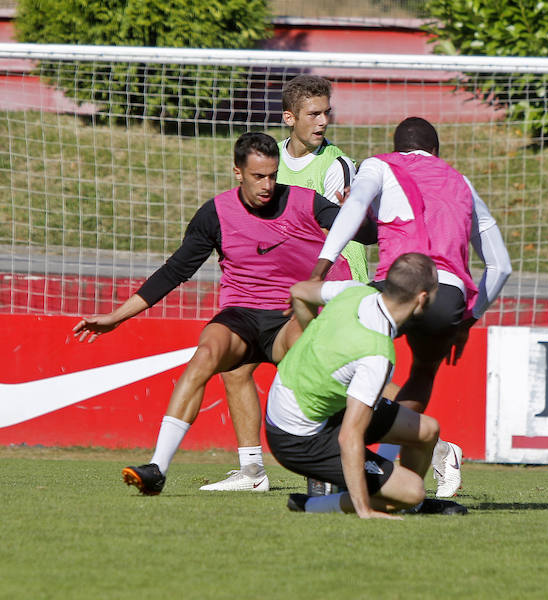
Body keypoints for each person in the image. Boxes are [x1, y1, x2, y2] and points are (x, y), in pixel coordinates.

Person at [72, 132, 375, 495]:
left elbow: (367, 234)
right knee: (208, 354)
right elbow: (175, 271)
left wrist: (360, 210)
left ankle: (343, 460)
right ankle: (160, 468)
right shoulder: (215, 213)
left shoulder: (307, 202)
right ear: (237, 172)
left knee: (311, 364)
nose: (267, 185)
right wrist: (117, 316)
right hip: (242, 316)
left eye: (273, 175)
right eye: (257, 176)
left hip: (291, 315)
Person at [308, 116, 512, 498]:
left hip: (397, 284)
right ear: (436, 153)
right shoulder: (461, 181)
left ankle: (337, 450)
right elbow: (501, 266)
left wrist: (323, 264)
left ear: (398, 146)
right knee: (421, 373)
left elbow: (355, 207)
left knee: (345, 354)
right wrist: (468, 320)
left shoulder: (380, 164)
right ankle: (403, 474)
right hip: (449, 297)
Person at [202, 75, 369, 493]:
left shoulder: (336, 165)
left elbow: (340, 232)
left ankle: (432, 444)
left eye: (327, 112)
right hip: (290, 287)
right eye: (314, 113)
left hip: (337, 283)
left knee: (340, 381)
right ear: (289, 117)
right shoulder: (268, 157)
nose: (323, 121)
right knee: (236, 365)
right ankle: (252, 470)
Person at [267, 252, 466, 517]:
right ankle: (314, 505)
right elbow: (350, 435)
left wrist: (313, 336)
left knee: (428, 430)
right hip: (297, 437)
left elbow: (299, 291)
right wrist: (364, 510)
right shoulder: (377, 354)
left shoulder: (354, 291)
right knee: (412, 491)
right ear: (422, 298)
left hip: (303, 406)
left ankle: (407, 505)